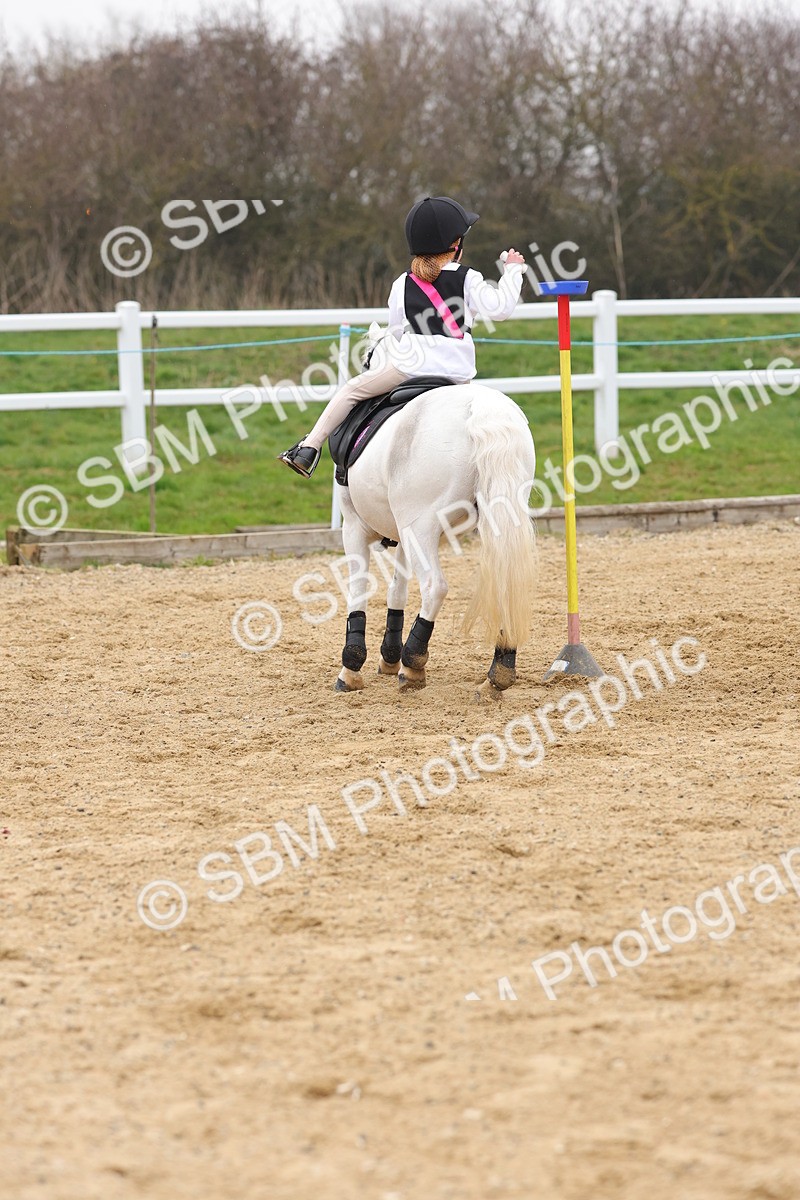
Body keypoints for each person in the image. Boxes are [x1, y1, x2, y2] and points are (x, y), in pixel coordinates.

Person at [278, 195, 526, 477]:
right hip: (460, 374)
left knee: (351, 391)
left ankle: (308, 449)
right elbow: (502, 309)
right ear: (456, 244)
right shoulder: (468, 277)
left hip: (410, 369)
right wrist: (513, 270)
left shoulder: (402, 283)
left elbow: (394, 333)